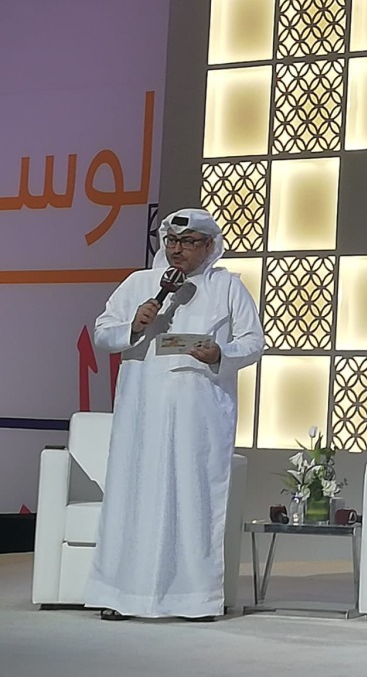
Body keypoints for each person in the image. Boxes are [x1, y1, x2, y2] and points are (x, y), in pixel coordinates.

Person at [84, 208, 264, 620]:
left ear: (208, 246)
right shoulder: (140, 284)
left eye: (187, 243)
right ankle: (120, 595)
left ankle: (193, 599)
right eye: (171, 241)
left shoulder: (228, 288)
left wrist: (222, 352)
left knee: (192, 498)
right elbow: (103, 333)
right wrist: (133, 327)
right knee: (136, 494)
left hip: (199, 410)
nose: (176, 249)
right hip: (142, 407)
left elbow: (253, 341)